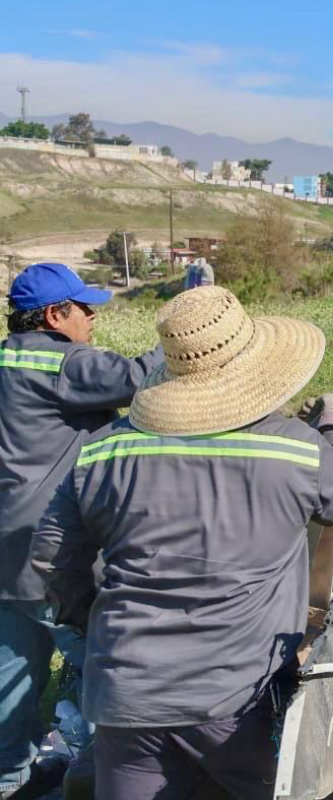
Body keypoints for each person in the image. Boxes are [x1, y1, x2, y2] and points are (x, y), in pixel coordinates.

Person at [30, 286, 333, 799]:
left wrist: (92, 619)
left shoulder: (102, 451)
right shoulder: (296, 449)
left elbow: (51, 555)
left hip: (127, 693)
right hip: (237, 698)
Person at [0, 263, 164, 799]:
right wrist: (185, 336)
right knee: (105, 668)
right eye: (83, 308)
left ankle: (11, 783)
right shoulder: (63, 361)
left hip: (5, 552)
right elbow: (142, 378)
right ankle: (100, 779)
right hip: (51, 555)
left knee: (12, 678)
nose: (92, 319)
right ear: (54, 314)